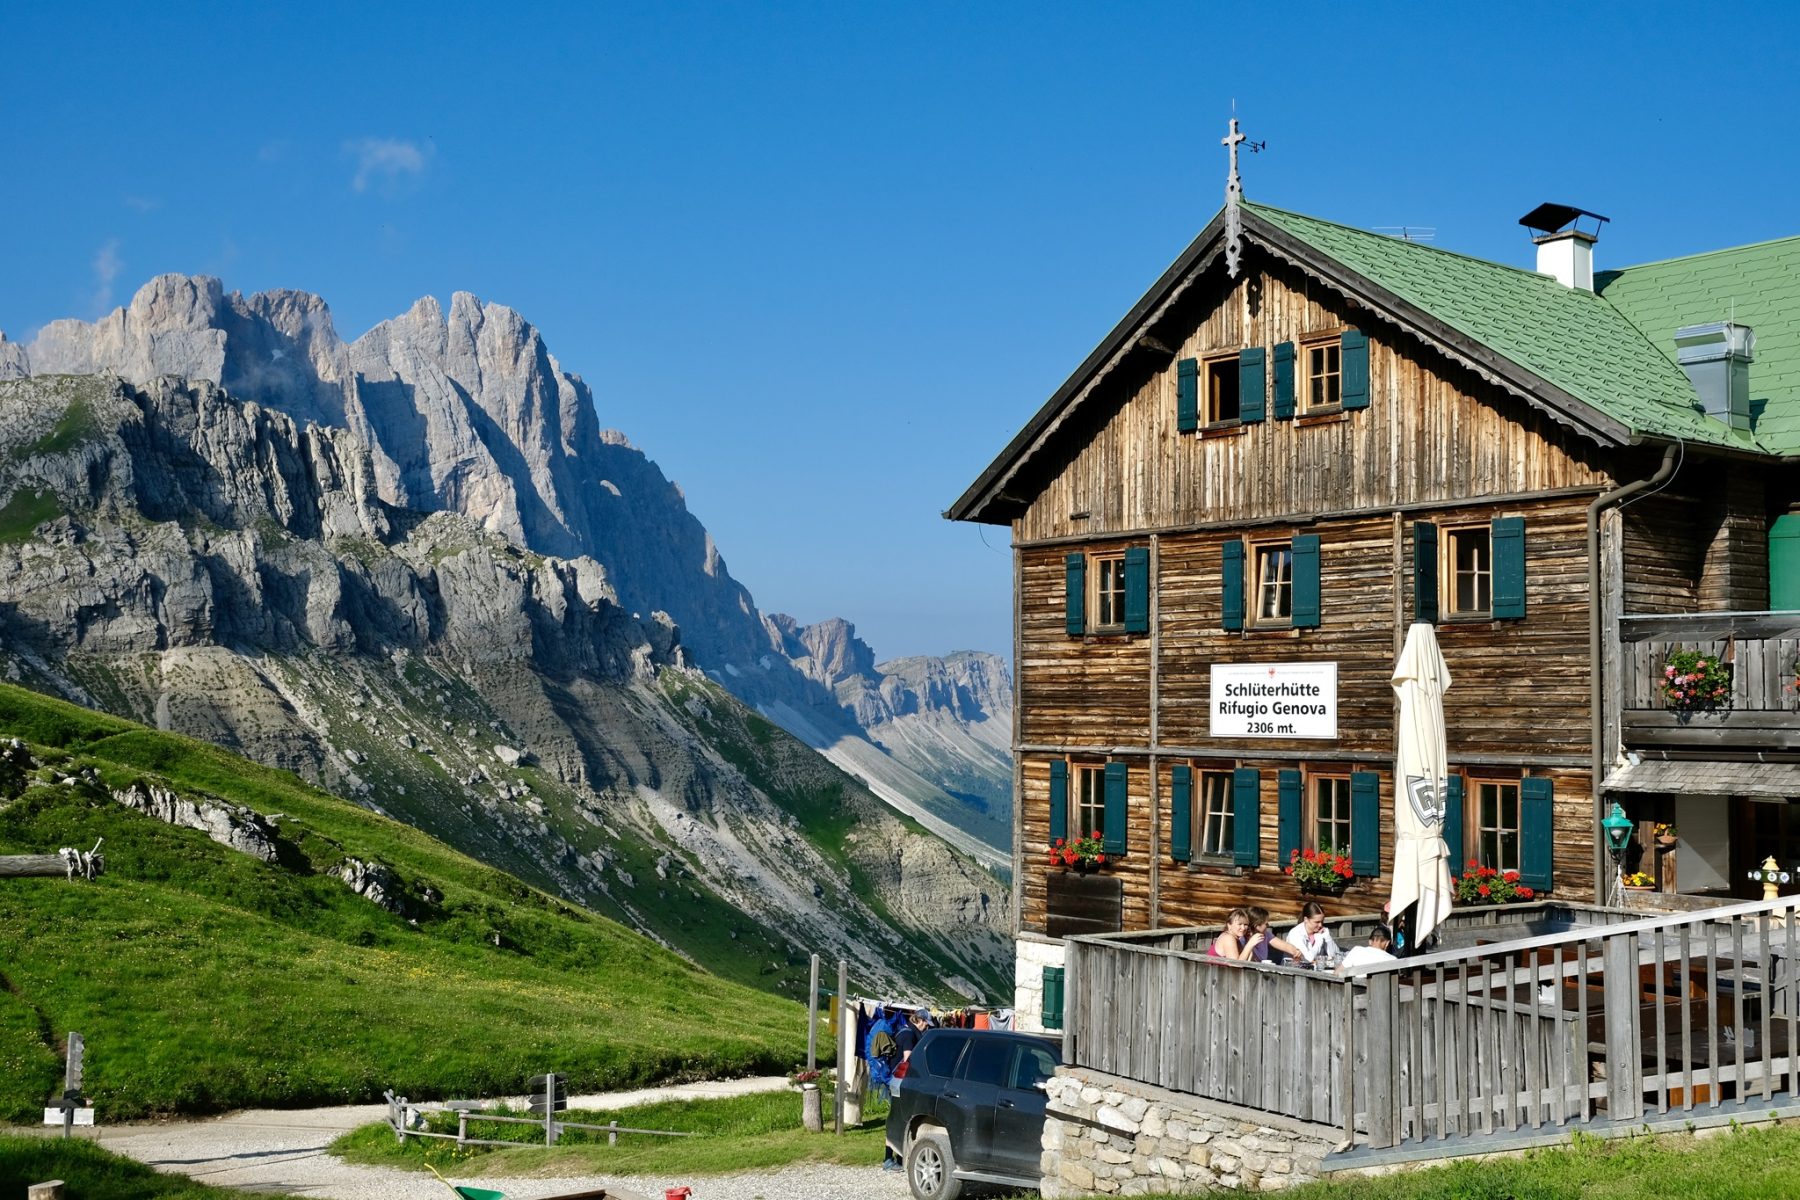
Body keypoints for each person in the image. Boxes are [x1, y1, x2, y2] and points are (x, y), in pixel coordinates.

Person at [1285, 902, 1343, 967]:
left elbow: (1336, 956)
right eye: (1317, 922)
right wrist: (1318, 942)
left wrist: (1328, 939)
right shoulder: (1296, 934)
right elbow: (1308, 960)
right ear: (1306, 919)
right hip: (1295, 972)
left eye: (1322, 921)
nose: (1320, 925)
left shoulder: (1321, 932)